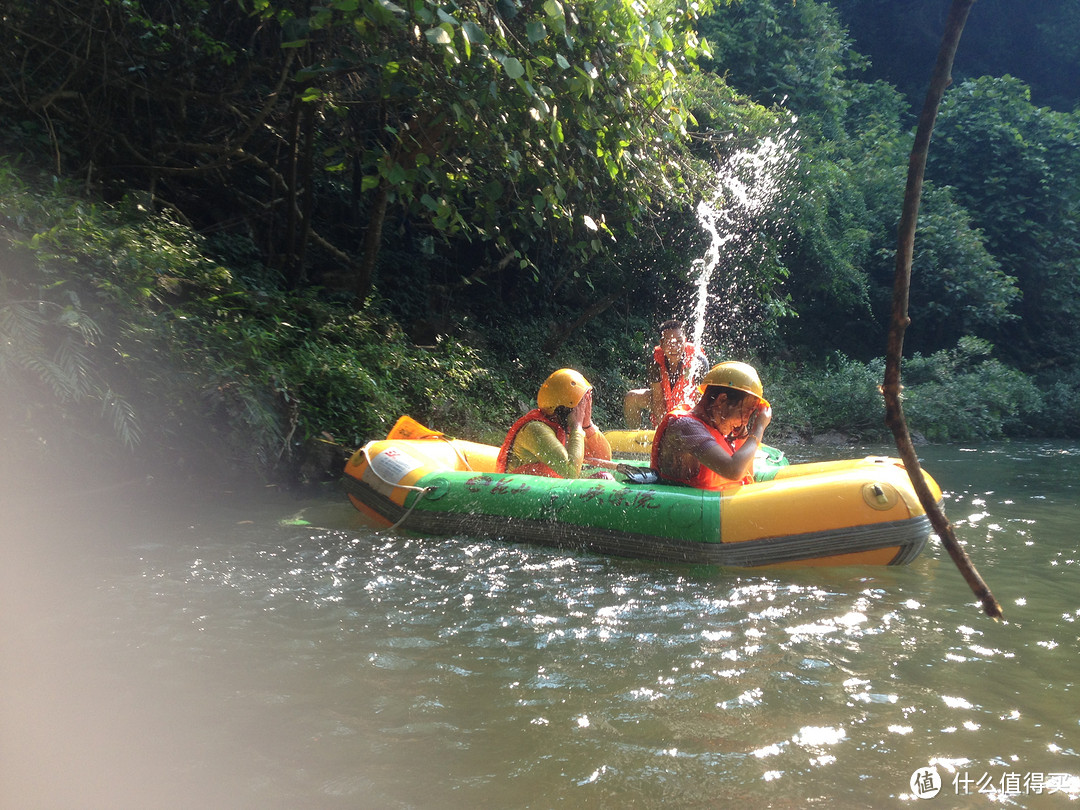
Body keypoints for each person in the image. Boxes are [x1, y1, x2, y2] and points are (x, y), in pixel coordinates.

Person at [650, 361, 771, 490]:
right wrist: (758, 429)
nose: (745, 421)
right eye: (746, 411)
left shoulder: (711, 425)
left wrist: (742, 436)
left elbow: (746, 475)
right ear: (722, 400)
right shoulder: (686, 426)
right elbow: (733, 471)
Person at [497, 368, 613, 478]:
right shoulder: (536, 429)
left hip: (545, 492)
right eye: (582, 404)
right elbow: (570, 472)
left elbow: (605, 459)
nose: (583, 409)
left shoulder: (562, 426)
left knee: (604, 476)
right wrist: (577, 426)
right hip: (520, 493)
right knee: (603, 478)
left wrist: (587, 425)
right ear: (566, 407)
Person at [623, 319, 708, 429]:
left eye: (679, 341)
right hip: (664, 400)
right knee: (631, 397)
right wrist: (663, 429)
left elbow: (700, 402)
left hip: (689, 407)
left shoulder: (698, 361)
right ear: (661, 344)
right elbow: (657, 399)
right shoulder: (654, 361)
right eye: (669, 342)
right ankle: (635, 440)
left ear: (685, 341)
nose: (675, 347)